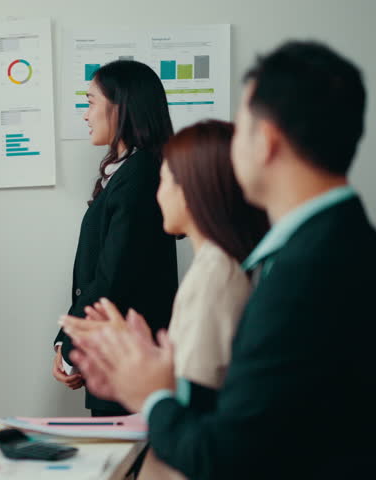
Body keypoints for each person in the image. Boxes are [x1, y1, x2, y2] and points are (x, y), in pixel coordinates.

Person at [64, 41, 376, 479]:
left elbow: (226, 454)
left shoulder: (309, 268)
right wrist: (153, 374)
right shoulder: (330, 242)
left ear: (266, 142)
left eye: (242, 130)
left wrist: (153, 396)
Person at [63, 120, 269, 479]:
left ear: (196, 189)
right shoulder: (217, 267)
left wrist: (142, 378)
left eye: (166, 181)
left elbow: (198, 409)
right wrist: (131, 367)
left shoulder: (216, 277)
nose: (158, 195)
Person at [51, 59, 179, 417]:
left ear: (120, 106)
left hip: (128, 354)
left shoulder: (138, 176)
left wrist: (69, 341)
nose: (85, 115)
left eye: (91, 101)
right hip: (118, 350)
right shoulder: (131, 171)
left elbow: (113, 276)